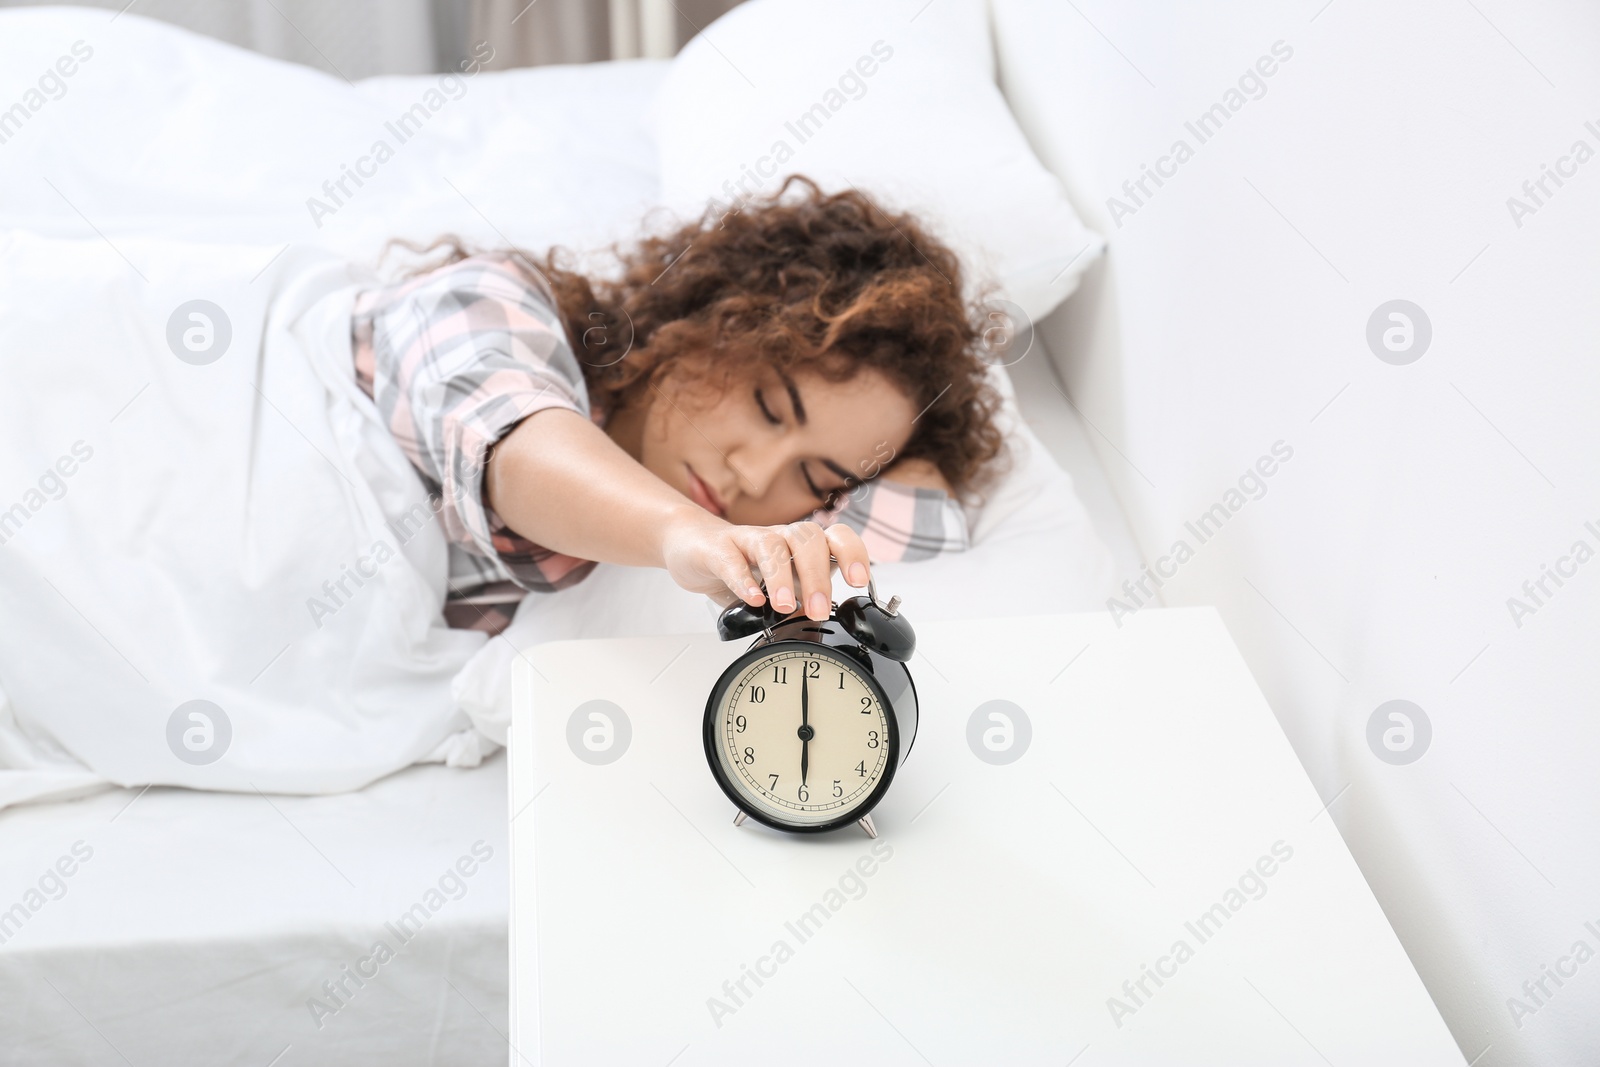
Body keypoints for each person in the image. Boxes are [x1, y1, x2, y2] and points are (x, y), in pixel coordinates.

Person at [350, 175, 1007, 635]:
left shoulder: (679, 560)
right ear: (713, 319)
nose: (754, 476)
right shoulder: (495, 300)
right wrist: (684, 532)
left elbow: (904, 548)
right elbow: (510, 447)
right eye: (769, 407)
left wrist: (917, 461)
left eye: (815, 478)